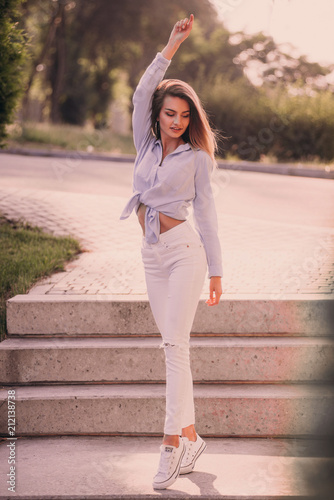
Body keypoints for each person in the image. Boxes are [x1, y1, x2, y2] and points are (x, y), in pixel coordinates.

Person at [120, 14, 223, 490]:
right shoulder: (145, 142)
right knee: (172, 347)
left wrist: (217, 271)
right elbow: (142, 93)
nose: (178, 122)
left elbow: (206, 213)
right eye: (171, 114)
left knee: (174, 346)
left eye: (185, 116)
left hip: (185, 253)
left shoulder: (197, 157)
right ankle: (192, 436)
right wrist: (170, 46)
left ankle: (169, 447)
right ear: (159, 115)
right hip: (152, 255)